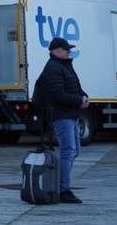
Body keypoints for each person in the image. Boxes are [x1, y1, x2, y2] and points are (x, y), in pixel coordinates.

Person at [34, 36, 89, 204]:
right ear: (56, 51)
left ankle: (61, 185)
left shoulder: (64, 66)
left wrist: (83, 96)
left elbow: (74, 87)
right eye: (66, 49)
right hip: (61, 115)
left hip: (70, 114)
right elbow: (58, 95)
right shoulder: (53, 68)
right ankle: (63, 189)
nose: (69, 51)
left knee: (73, 151)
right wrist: (79, 101)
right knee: (68, 151)